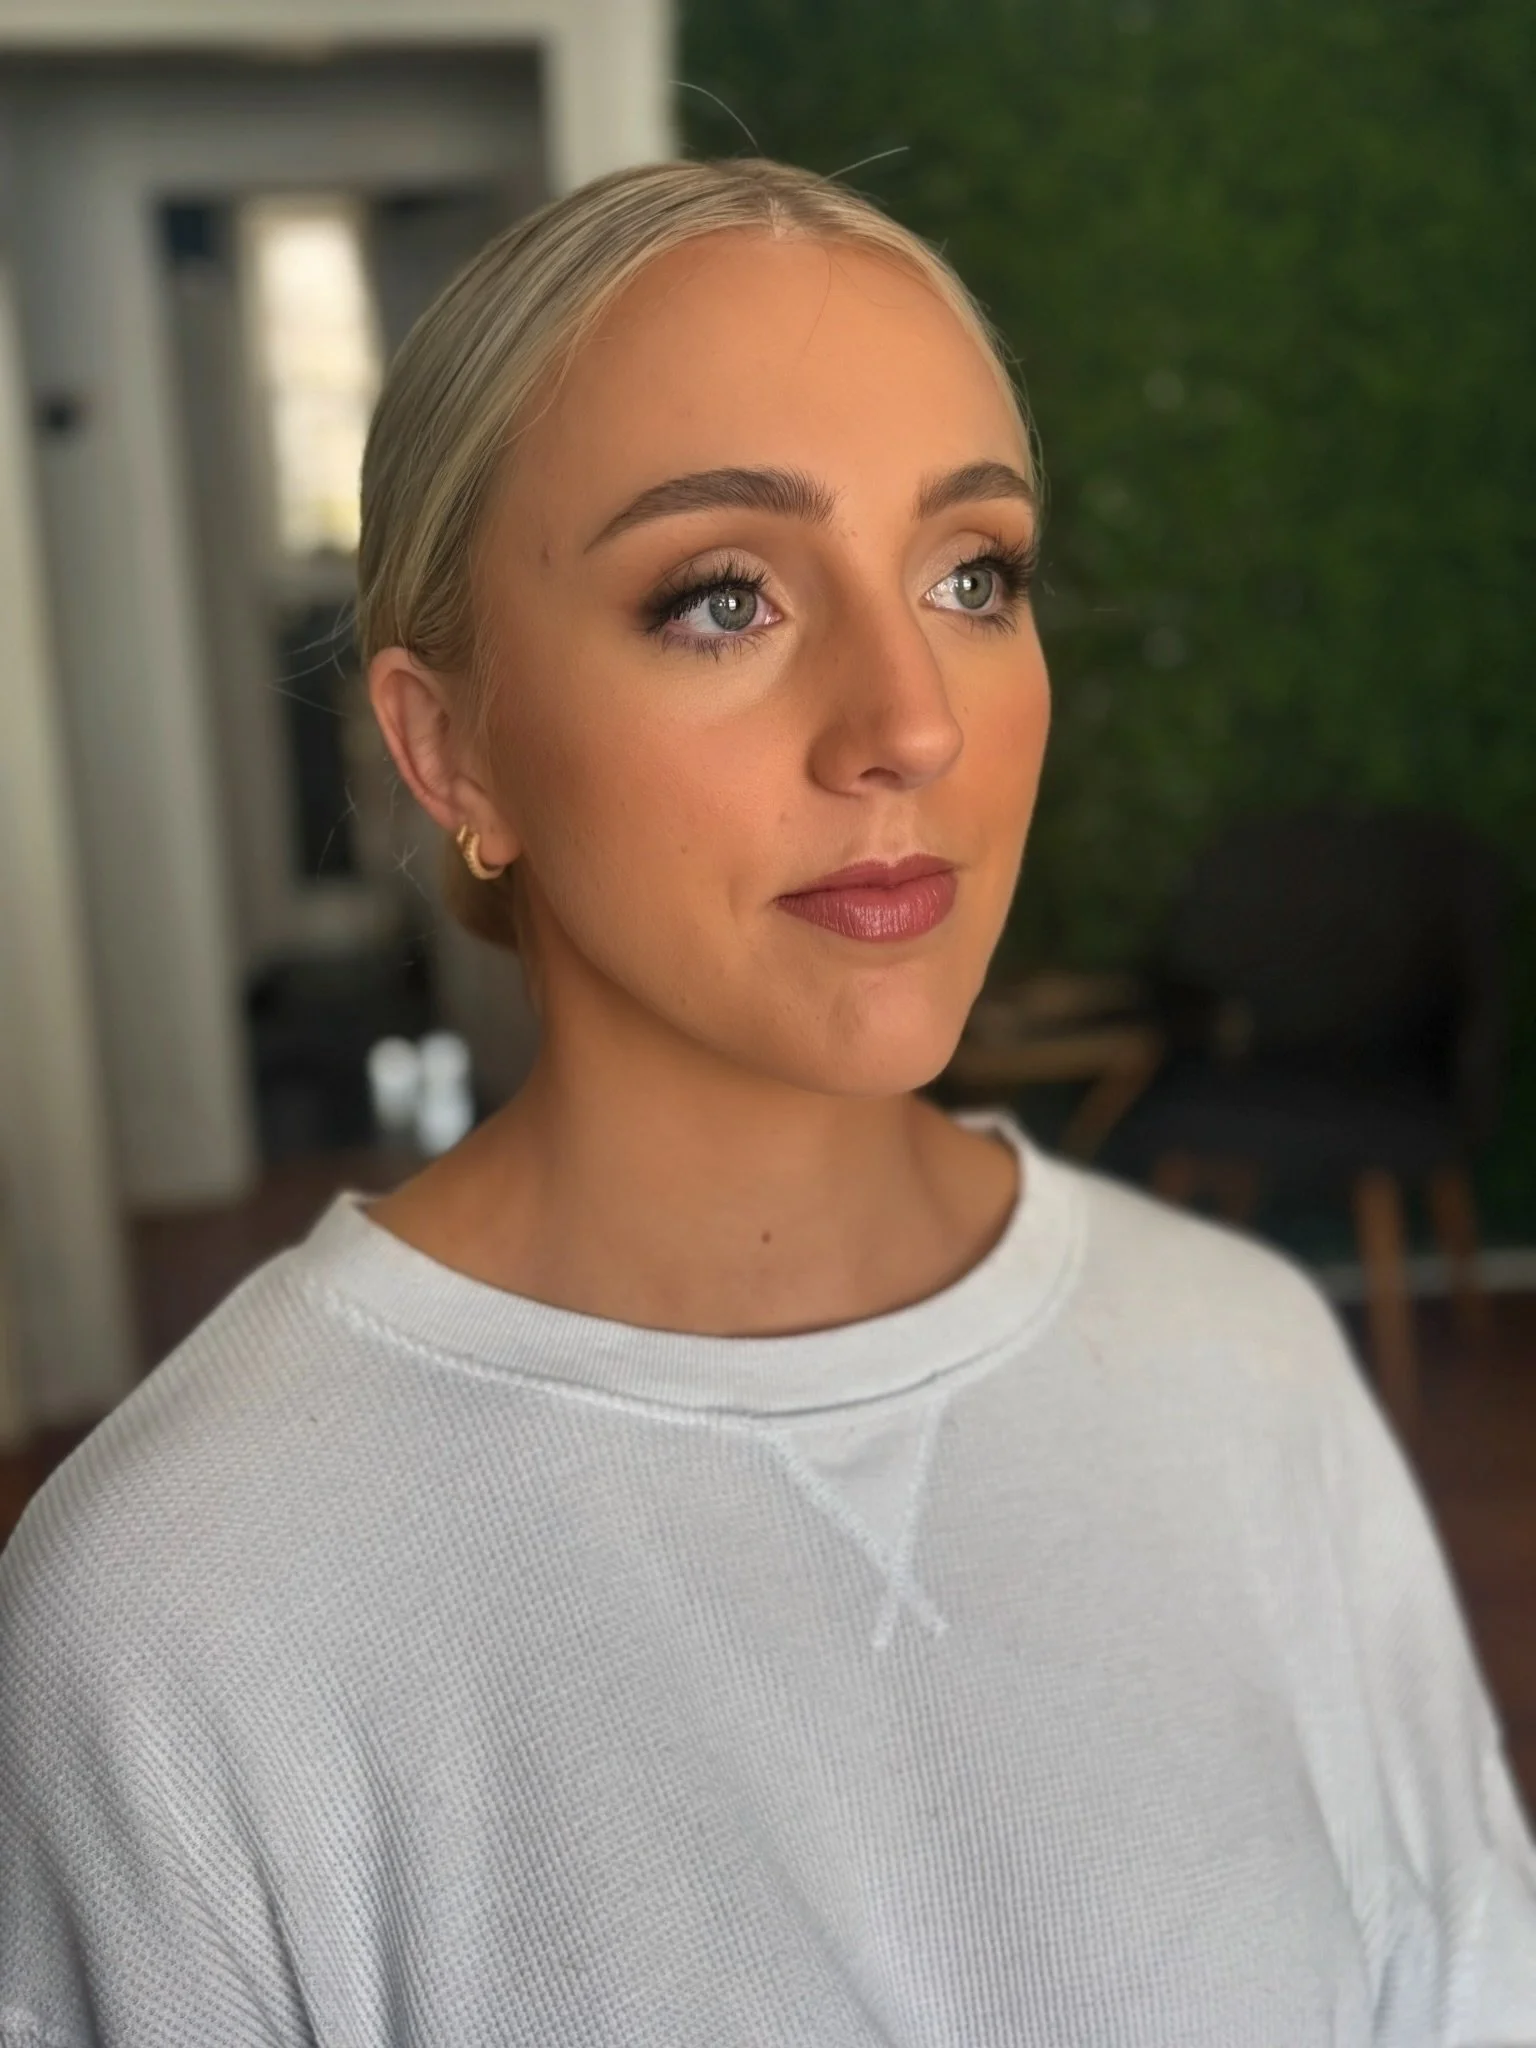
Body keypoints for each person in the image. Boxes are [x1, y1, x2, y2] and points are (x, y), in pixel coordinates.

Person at [2, 157, 1534, 2048]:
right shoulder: (174, 1612)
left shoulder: (1249, 1366)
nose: (913, 721)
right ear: (447, 745)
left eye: (973, 575)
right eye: (722, 596)